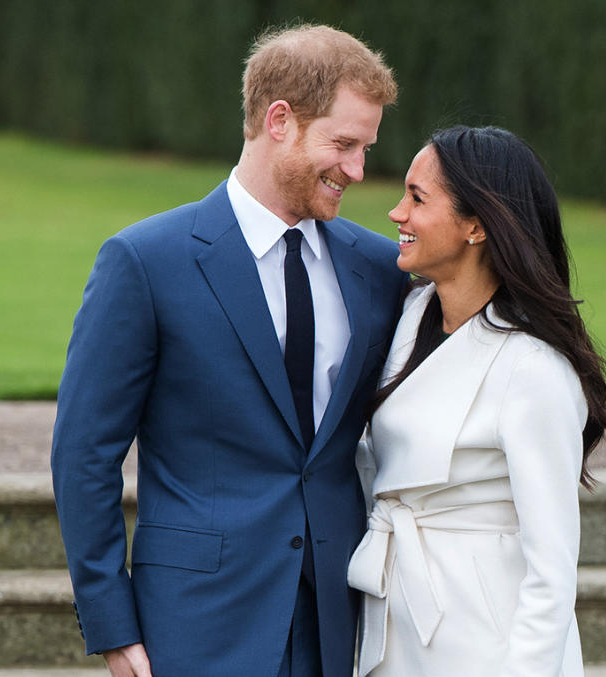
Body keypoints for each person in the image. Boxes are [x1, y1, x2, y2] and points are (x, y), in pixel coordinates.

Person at [51, 25, 409, 677]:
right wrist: (110, 622)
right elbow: (84, 452)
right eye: (344, 144)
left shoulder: (382, 269)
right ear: (280, 120)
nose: (358, 170)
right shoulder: (145, 261)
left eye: (366, 148)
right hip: (192, 624)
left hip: (336, 622)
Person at [346, 126, 606, 676]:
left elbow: (551, 569)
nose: (396, 213)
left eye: (417, 198)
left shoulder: (534, 371)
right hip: (396, 622)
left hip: (486, 639)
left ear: (477, 225)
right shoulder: (410, 317)